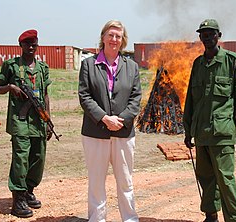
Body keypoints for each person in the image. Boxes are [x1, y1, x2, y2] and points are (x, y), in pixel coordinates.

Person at [183, 19, 236, 222]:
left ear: (218, 36)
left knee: (225, 179)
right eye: (204, 34)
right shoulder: (198, 64)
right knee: (205, 177)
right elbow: (190, 100)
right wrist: (188, 131)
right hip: (201, 133)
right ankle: (211, 215)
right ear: (200, 37)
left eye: (211, 33)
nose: (207, 37)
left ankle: (235, 219)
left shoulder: (233, 61)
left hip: (222, 133)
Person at [78, 20, 141, 222]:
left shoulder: (132, 67)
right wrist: (105, 119)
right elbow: (85, 96)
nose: (114, 39)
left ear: (123, 41)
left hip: (123, 133)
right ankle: (97, 219)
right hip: (95, 133)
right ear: (103, 37)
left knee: (125, 181)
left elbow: (136, 98)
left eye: (118, 36)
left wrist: (121, 120)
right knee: (96, 182)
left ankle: (130, 218)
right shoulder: (88, 65)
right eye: (111, 35)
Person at [0, 29, 52, 218]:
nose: (30, 47)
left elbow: (45, 95)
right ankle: (17, 199)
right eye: (27, 44)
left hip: (39, 122)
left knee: (38, 157)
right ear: (20, 45)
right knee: (21, 159)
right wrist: (11, 87)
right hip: (20, 121)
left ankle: (28, 191)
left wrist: (48, 119)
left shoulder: (42, 68)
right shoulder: (11, 66)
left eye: (33, 44)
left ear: (38, 45)